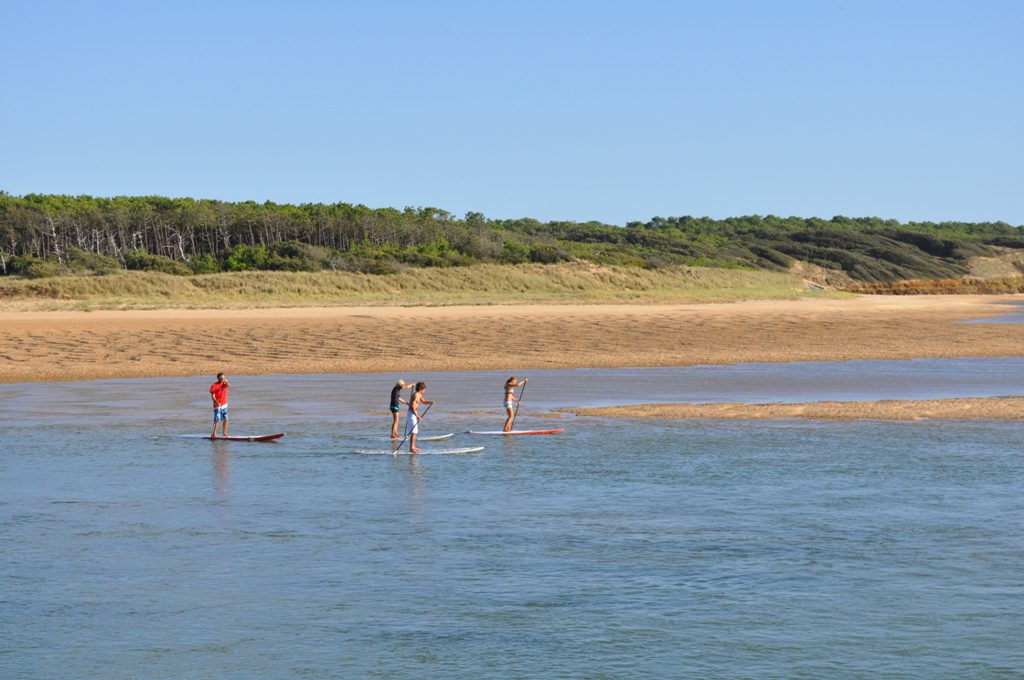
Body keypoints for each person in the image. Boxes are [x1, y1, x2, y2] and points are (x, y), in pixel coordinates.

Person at [407, 382, 434, 454]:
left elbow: (424, 401)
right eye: (424, 389)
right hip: (411, 414)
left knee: (415, 431)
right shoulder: (416, 395)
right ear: (421, 389)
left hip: (413, 414)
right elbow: (412, 406)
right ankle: (411, 448)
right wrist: (418, 416)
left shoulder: (419, 395)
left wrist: (430, 402)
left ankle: (413, 446)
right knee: (414, 431)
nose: (425, 391)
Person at [210, 372, 230, 438]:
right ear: (218, 378)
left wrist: (227, 382)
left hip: (224, 404)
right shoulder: (214, 385)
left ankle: (224, 433)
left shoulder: (224, 384)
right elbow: (212, 396)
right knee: (217, 419)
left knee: (226, 418)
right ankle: (214, 434)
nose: (223, 379)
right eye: (221, 378)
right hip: (217, 405)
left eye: (224, 377)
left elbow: (228, 386)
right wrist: (216, 402)